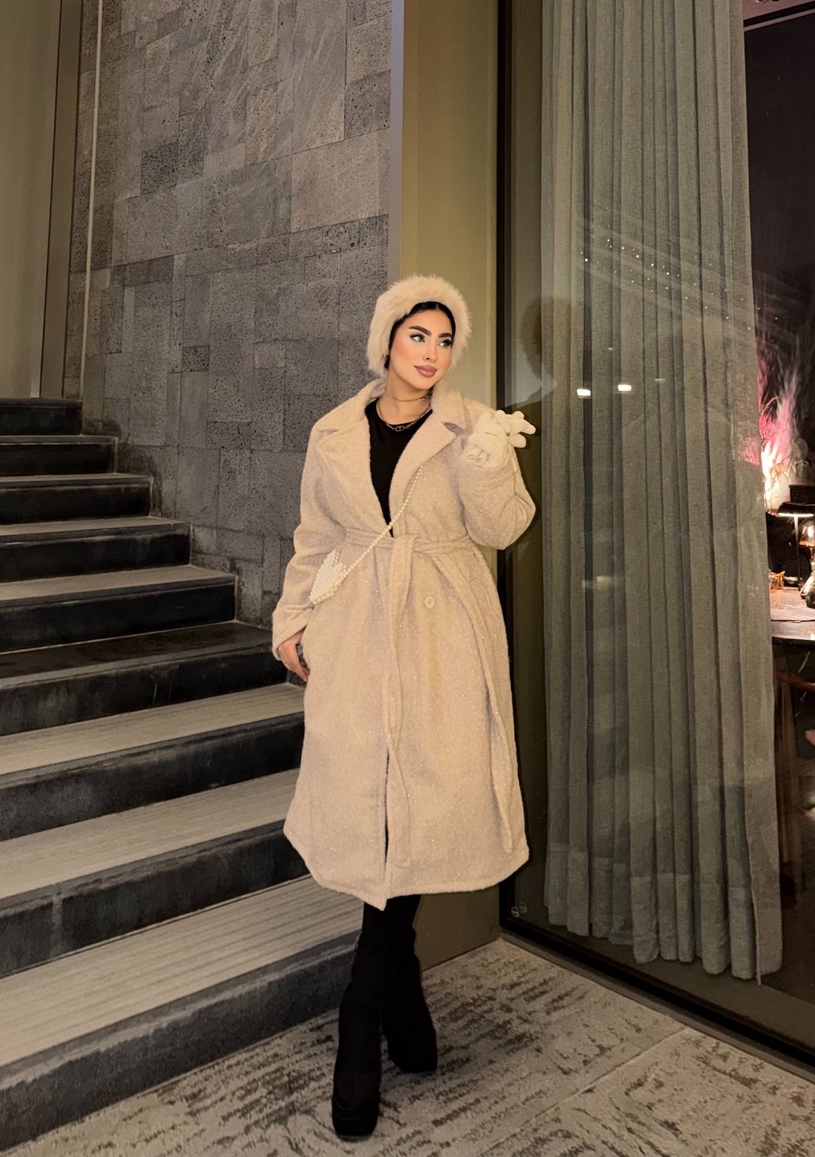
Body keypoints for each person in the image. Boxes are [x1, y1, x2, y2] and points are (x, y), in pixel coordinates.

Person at [271, 273, 536, 1139]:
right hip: (355, 634)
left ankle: (362, 1009)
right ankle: (403, 995)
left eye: (445, 340)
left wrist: (489, 460)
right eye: (417, 335)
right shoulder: (333, 432)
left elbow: (503, 527)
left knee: (419, 811)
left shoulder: (472, 427)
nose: (431, 353)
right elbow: (314, 538)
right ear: (386, 340)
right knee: (375, 813)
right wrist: (291, 622)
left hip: (441, 636)